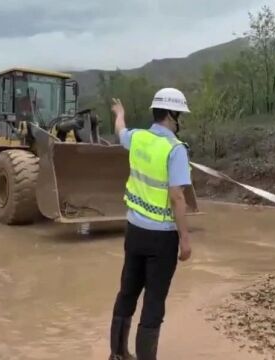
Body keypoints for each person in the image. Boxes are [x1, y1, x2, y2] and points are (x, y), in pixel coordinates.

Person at [108, 88, 193, 360]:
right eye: (179, 115)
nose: (180, 120)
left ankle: (118, 354)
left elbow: (120, 131)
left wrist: (119, 114)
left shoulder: (138, 138)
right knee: (154, 303)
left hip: (134, 232)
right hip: (162, 239)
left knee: (127, 292)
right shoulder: (175, 149)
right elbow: (177, 196)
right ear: (170, 115)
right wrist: (186, 240)